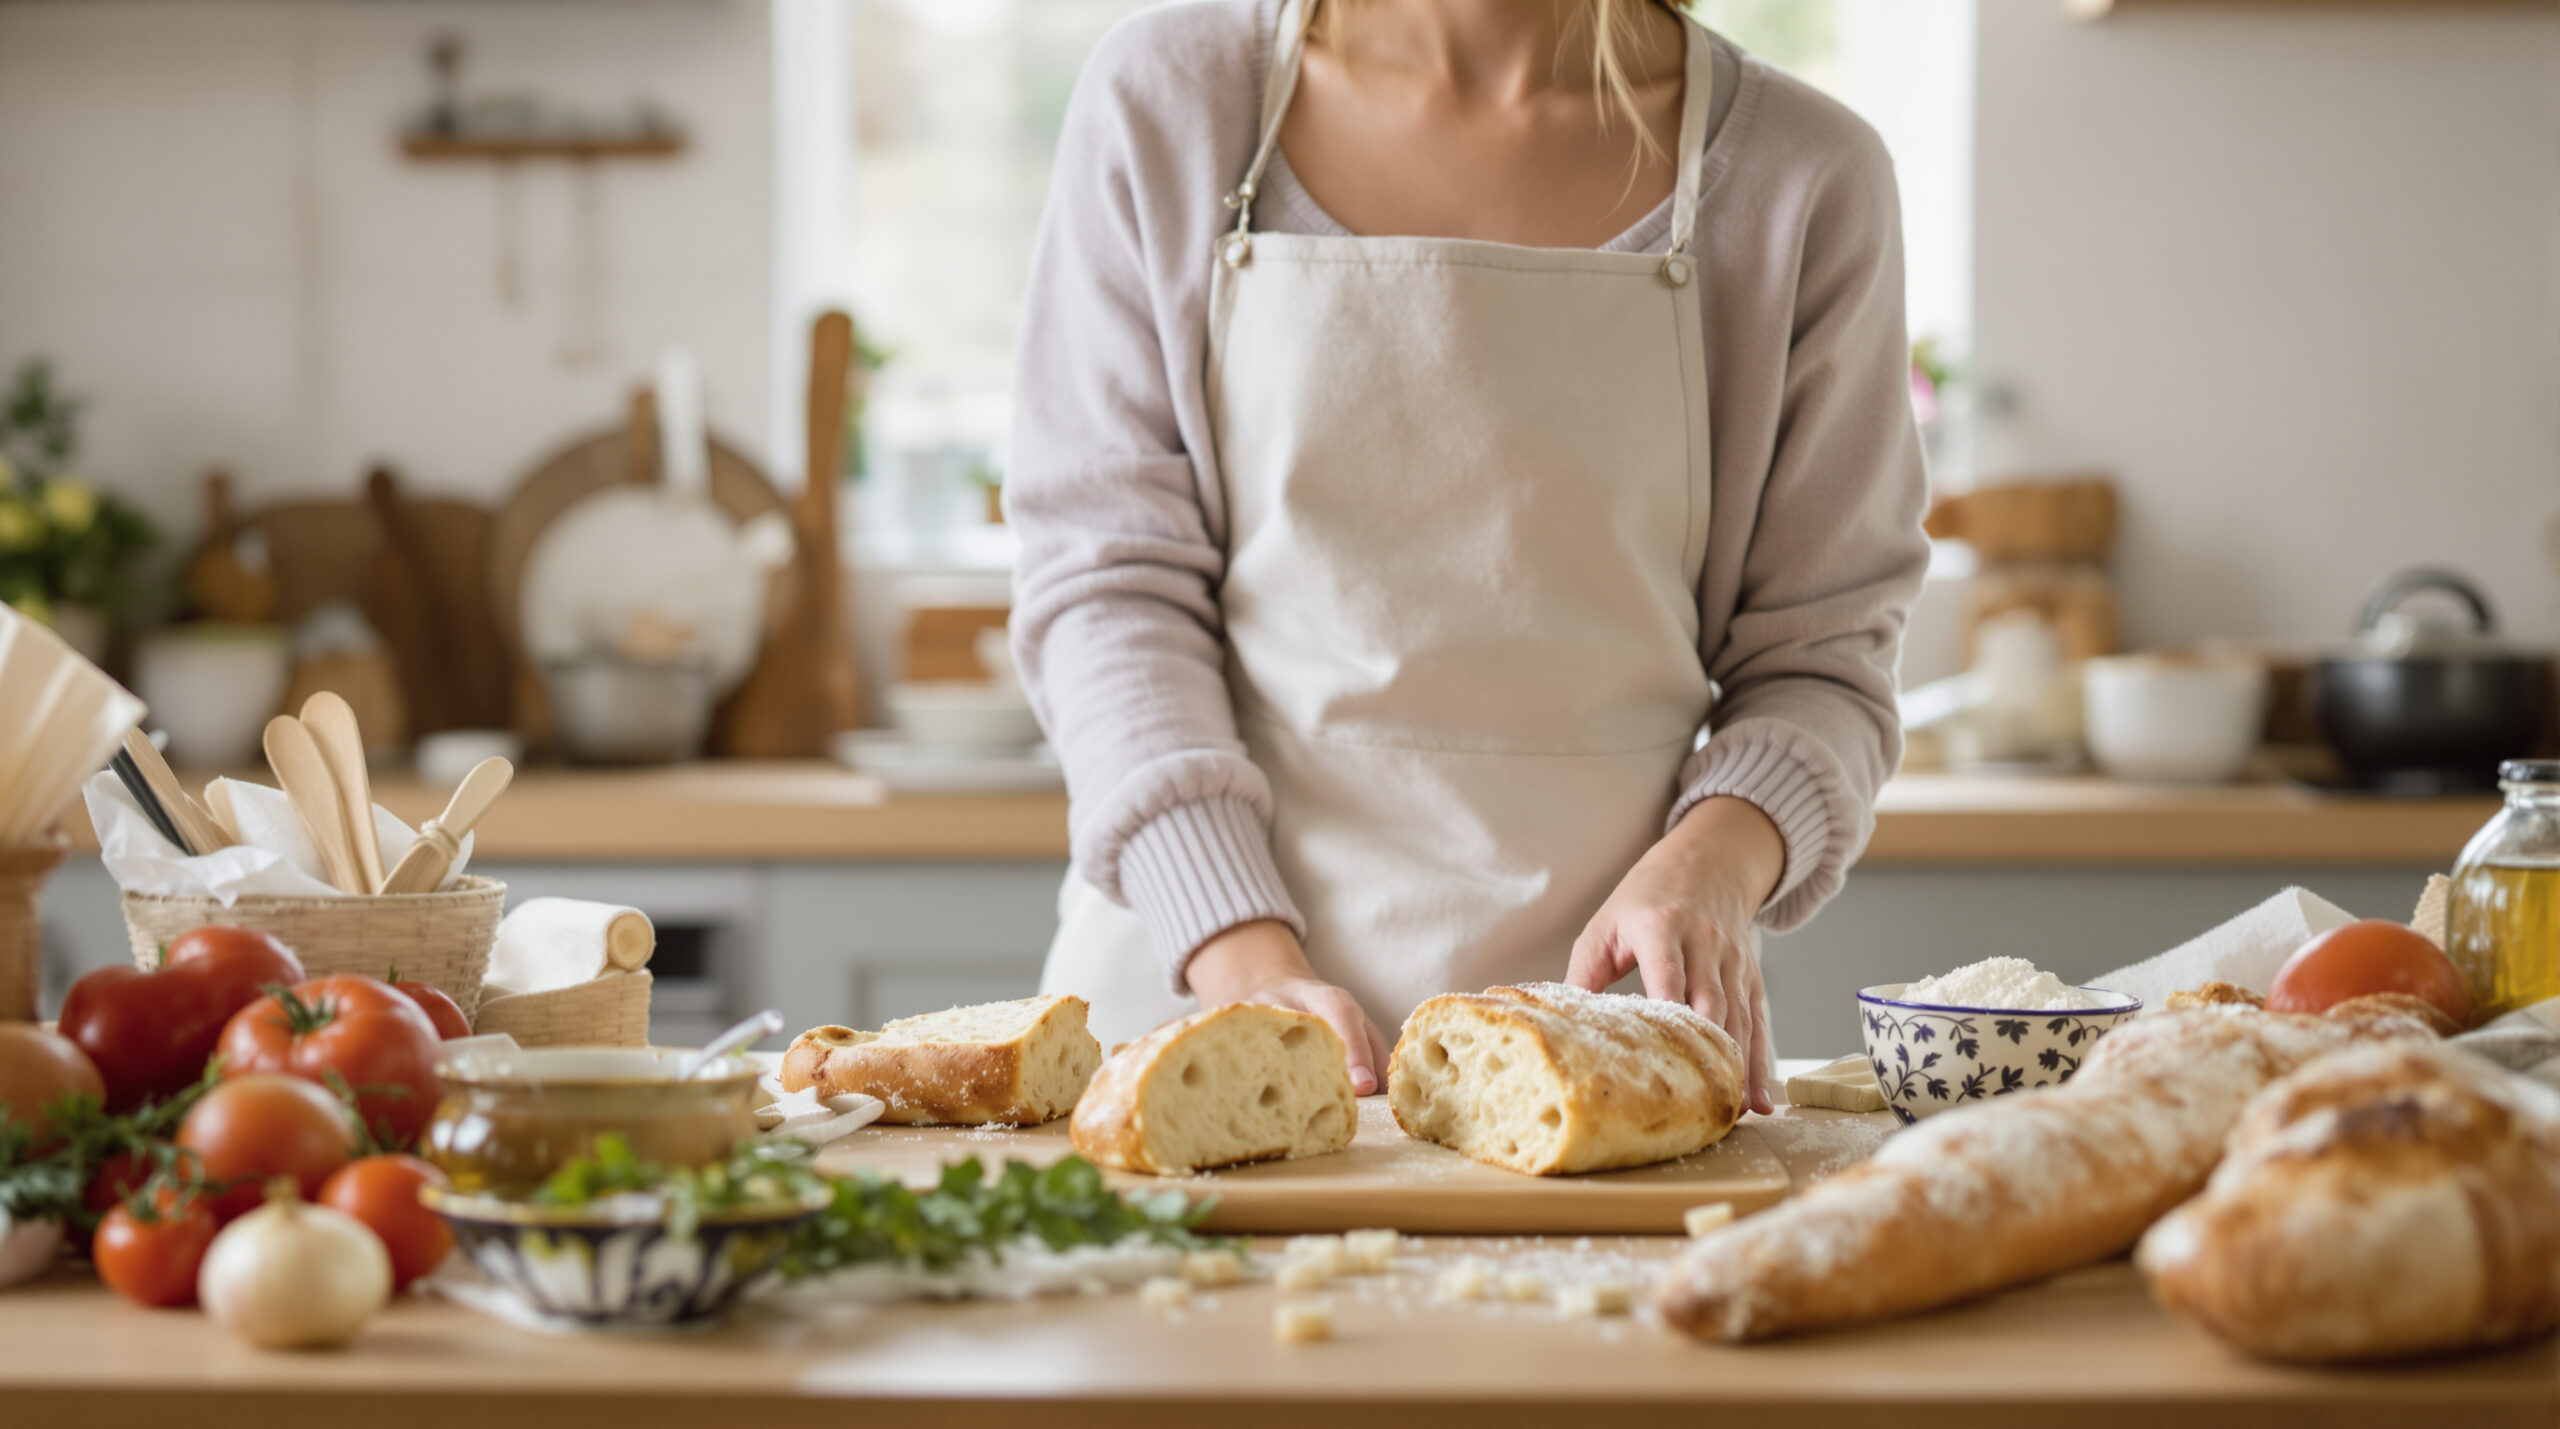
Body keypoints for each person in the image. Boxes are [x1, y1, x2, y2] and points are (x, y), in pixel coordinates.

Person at [1008, 0, 1928, 1115]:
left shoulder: (1800, 176)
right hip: (1200, 1029)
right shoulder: (1174, 100)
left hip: (1597, 1051)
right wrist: (1244, 962)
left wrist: (1711, 870)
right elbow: (1110, 590)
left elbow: (1822, 658)